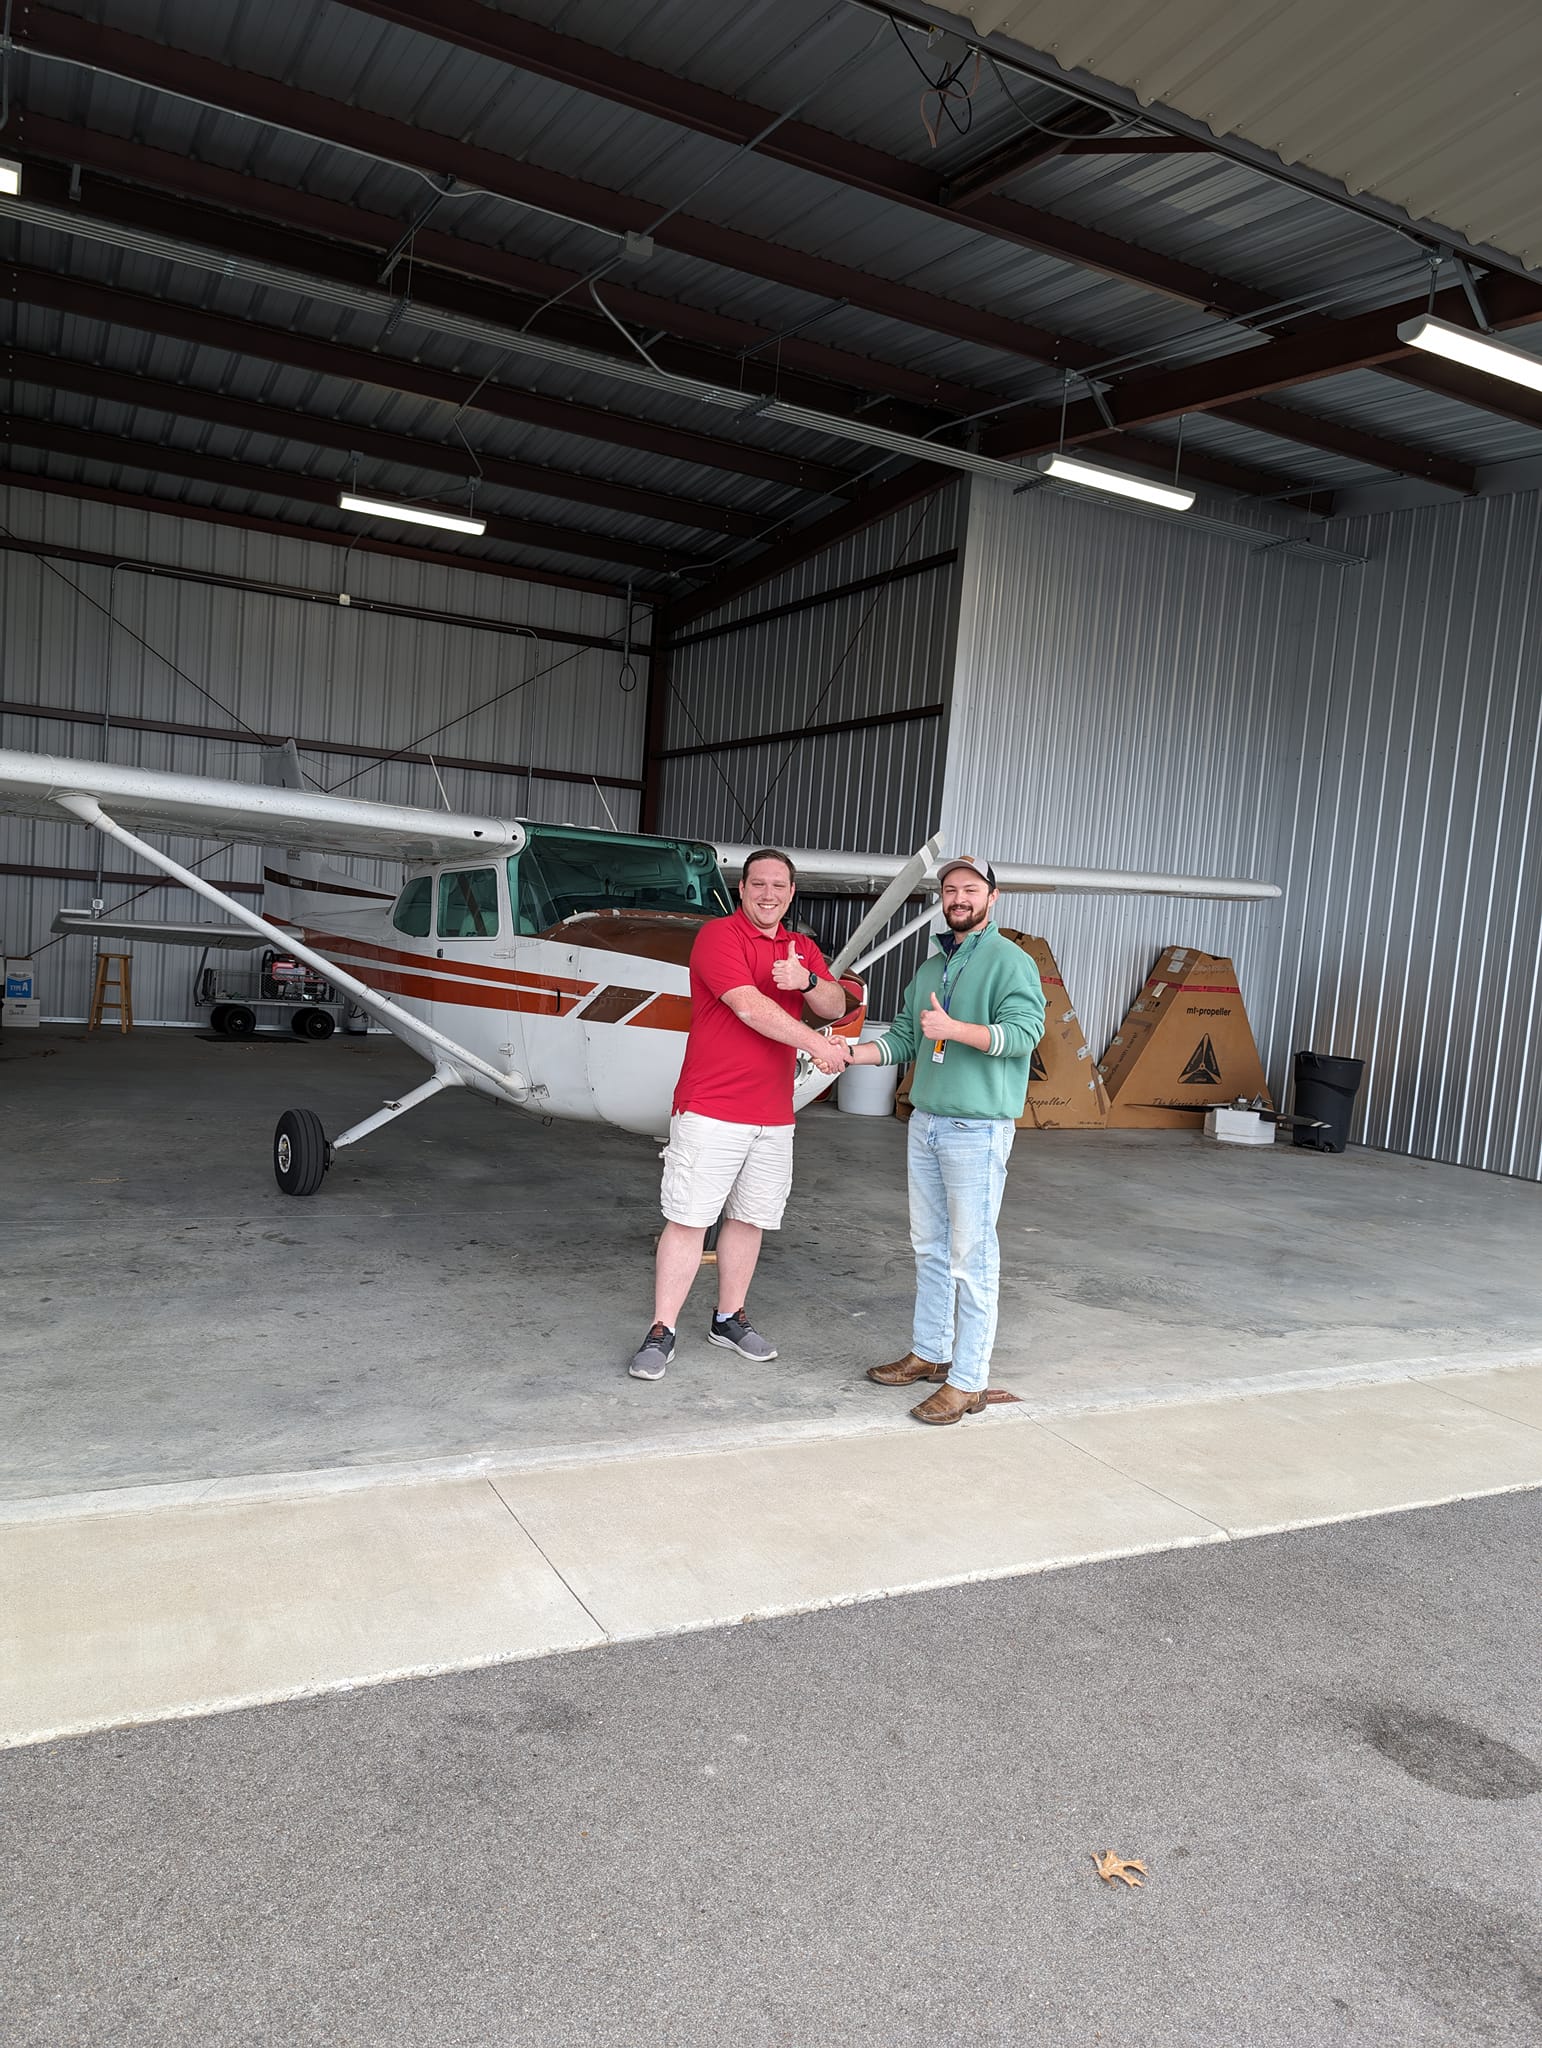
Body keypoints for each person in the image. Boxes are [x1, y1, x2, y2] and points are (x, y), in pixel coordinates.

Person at [629, 848, 852, 1381]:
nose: (768, 894)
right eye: (758, 884)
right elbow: (749, 1006)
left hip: (773, 1112)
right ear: (742, 889)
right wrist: (818, 1047)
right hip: (712, 1107)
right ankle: (662, 1329)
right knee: (689, 1219)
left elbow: (836, 1006)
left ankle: (728, 1318)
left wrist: (808, 984)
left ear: (791, 893)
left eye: (779, 885)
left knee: (751, 1218)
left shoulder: (801, 949)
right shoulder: (718, 937)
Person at [846, 855, 1045, 1424]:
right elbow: (907, 1037)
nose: (958, 897)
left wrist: (956, 1031)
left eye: (970, 889)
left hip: (976, 1128)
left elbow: (1027, 1033)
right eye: (949, 889)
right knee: (930, 1247)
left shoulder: (1012, 962)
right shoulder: (931, 968)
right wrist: (848, 1054)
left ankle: (969, 1380)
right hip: (927, 1122)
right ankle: (930, 1353)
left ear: (992, 897)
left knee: (971, 1255)